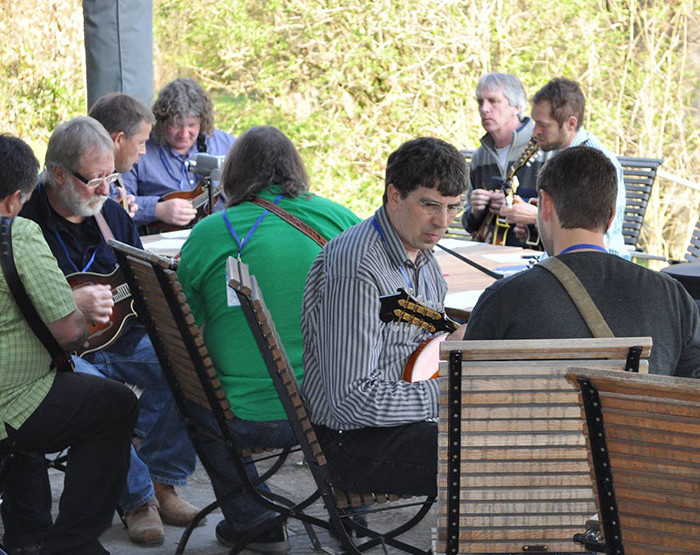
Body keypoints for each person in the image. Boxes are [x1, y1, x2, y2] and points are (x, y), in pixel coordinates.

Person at [19, 117, 201, 546]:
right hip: (56, 350)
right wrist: (69, 304)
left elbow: (141, 287)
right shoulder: (27, 225)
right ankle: (137, 499)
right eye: (94, 180)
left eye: (110, 177)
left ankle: (163, 480)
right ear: (59, 173)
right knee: (107, 399)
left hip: (122, 337)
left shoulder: (113, 217)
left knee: (186, 364)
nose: (105, 189)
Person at [177, 125, 360, 552]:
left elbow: (187, 325)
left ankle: (253, 518)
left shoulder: (209, 233)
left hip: (243, 414)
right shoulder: (338, 218)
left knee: (188, 390)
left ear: (233, 174)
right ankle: (350, 512)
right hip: (332, 408)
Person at [301, 137, 468, 498]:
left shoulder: (419, 252)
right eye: (430, 205)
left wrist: (453, 335)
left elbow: (412, 323)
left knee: (503, 433)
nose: (442, 222)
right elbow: (351, 399)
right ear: (394, 195)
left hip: (398, 423)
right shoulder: (358, 269)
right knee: (486, 456)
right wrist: (449, 395)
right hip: (352, 443)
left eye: (453, 208)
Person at [0, 134, 138, 554]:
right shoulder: (17, 233)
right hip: (9, 401)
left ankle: (29, 535)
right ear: (14, 200)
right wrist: (75, 307)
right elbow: (70, 333)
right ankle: (72, 544)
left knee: (42, 402)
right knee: (114, 405)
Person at [465, 146, 700, 377]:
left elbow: (466, 399)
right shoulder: (673, 297)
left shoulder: (504, 299)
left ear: (545, 205)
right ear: (610, 219)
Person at [500, 77, 630, 259]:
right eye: (535, 123)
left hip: (599, 267)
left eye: (543, 125)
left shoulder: (596, 164)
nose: (535, 131)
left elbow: (601, 237)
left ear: (571, 123)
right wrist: (536, 228)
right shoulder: (563, 156)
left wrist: (538, 217)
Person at [121, 77, 235, 230]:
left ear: (203, 121)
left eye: (192, 125)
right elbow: (118, 202)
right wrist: (157, 210)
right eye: (176, 125)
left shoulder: (224, 144)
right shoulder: (140, 149)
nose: (184, 133)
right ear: (161, 122)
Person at [461, 73, 549, 247]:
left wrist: (515, 204)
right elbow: (469, 225)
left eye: (493, 101)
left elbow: (564, 218)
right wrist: (476, 210)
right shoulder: (481, 156)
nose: (484, 109)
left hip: (532, 258)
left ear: (516, 107)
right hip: (486, 256)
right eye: (480, 102)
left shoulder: (546, 147)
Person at [89, 92, 156, 217]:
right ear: (119, 139)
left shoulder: (112, 176)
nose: (144, 151)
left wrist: (116, 213)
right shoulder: (82, 184)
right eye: (141, 142)